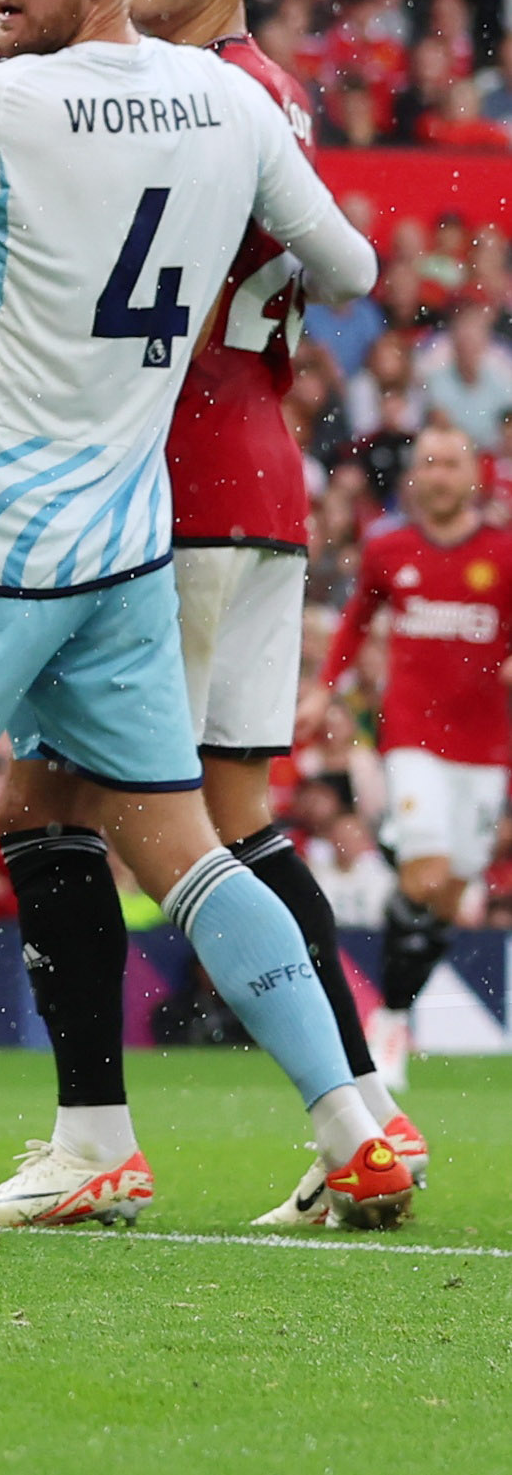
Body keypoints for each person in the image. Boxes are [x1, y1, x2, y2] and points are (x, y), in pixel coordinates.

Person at [0, 0, 408, 1234]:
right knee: (189, 849)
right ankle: (349, 1123)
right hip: (129, 535)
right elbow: (351, 270)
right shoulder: (226, 99)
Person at [319, 424, 512, 1104]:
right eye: (426, 462)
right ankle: (393, 1023)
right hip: (412, 739)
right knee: (426, 873)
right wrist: (327, 686)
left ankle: (391, 1010)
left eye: (449, 462)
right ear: (412, 476)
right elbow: (352, 623)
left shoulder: (503, 553)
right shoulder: (387, 549)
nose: (436, 474)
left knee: (447, 895)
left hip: (485, 749)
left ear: (474, 474)